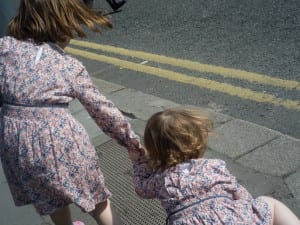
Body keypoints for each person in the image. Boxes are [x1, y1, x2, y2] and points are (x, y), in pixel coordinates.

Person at [0, 1, 144, 225]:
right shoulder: (68, 66)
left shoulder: (4, 49)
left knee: (51, 198)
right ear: (61, 26)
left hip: (18, 147)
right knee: (97, 201)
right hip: (61, 144)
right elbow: (103, 111)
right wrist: (130, 140)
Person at [129, 108, 300, 225]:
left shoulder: (160, 179)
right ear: (197, 143)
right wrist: (245, 208)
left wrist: (139, 162)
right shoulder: (214, 166)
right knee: (270, 204)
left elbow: (141, 189)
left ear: (154, 150)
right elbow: (237, 191)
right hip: (232, 217)